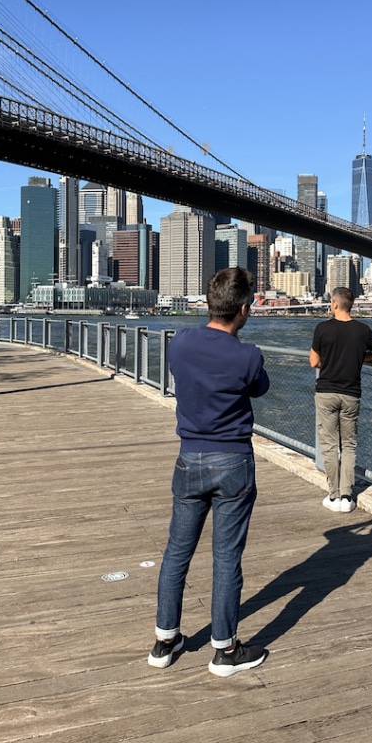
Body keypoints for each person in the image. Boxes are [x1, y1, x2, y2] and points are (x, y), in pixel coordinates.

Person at [148, 267, 270, 677]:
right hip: (233, 461)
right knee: (226, 557)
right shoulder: (248, 355)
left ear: (208, 303)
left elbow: (183, 375)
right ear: (241, 309)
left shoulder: (179, 343)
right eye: (249, 303)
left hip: (189, 458)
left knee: (177, 551)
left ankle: (165, 641)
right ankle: (225, 649)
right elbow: (259, 387)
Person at [309, 287, 372, 514]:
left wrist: (332, 361)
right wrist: (357, 358)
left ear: (334, 303)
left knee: (330, 446)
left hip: (326, 393)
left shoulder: (322, 328)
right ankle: (346, 495)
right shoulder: (363, 330)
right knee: (349, 445)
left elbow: (314, 361)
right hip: (351, 393)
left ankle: (333, 496)